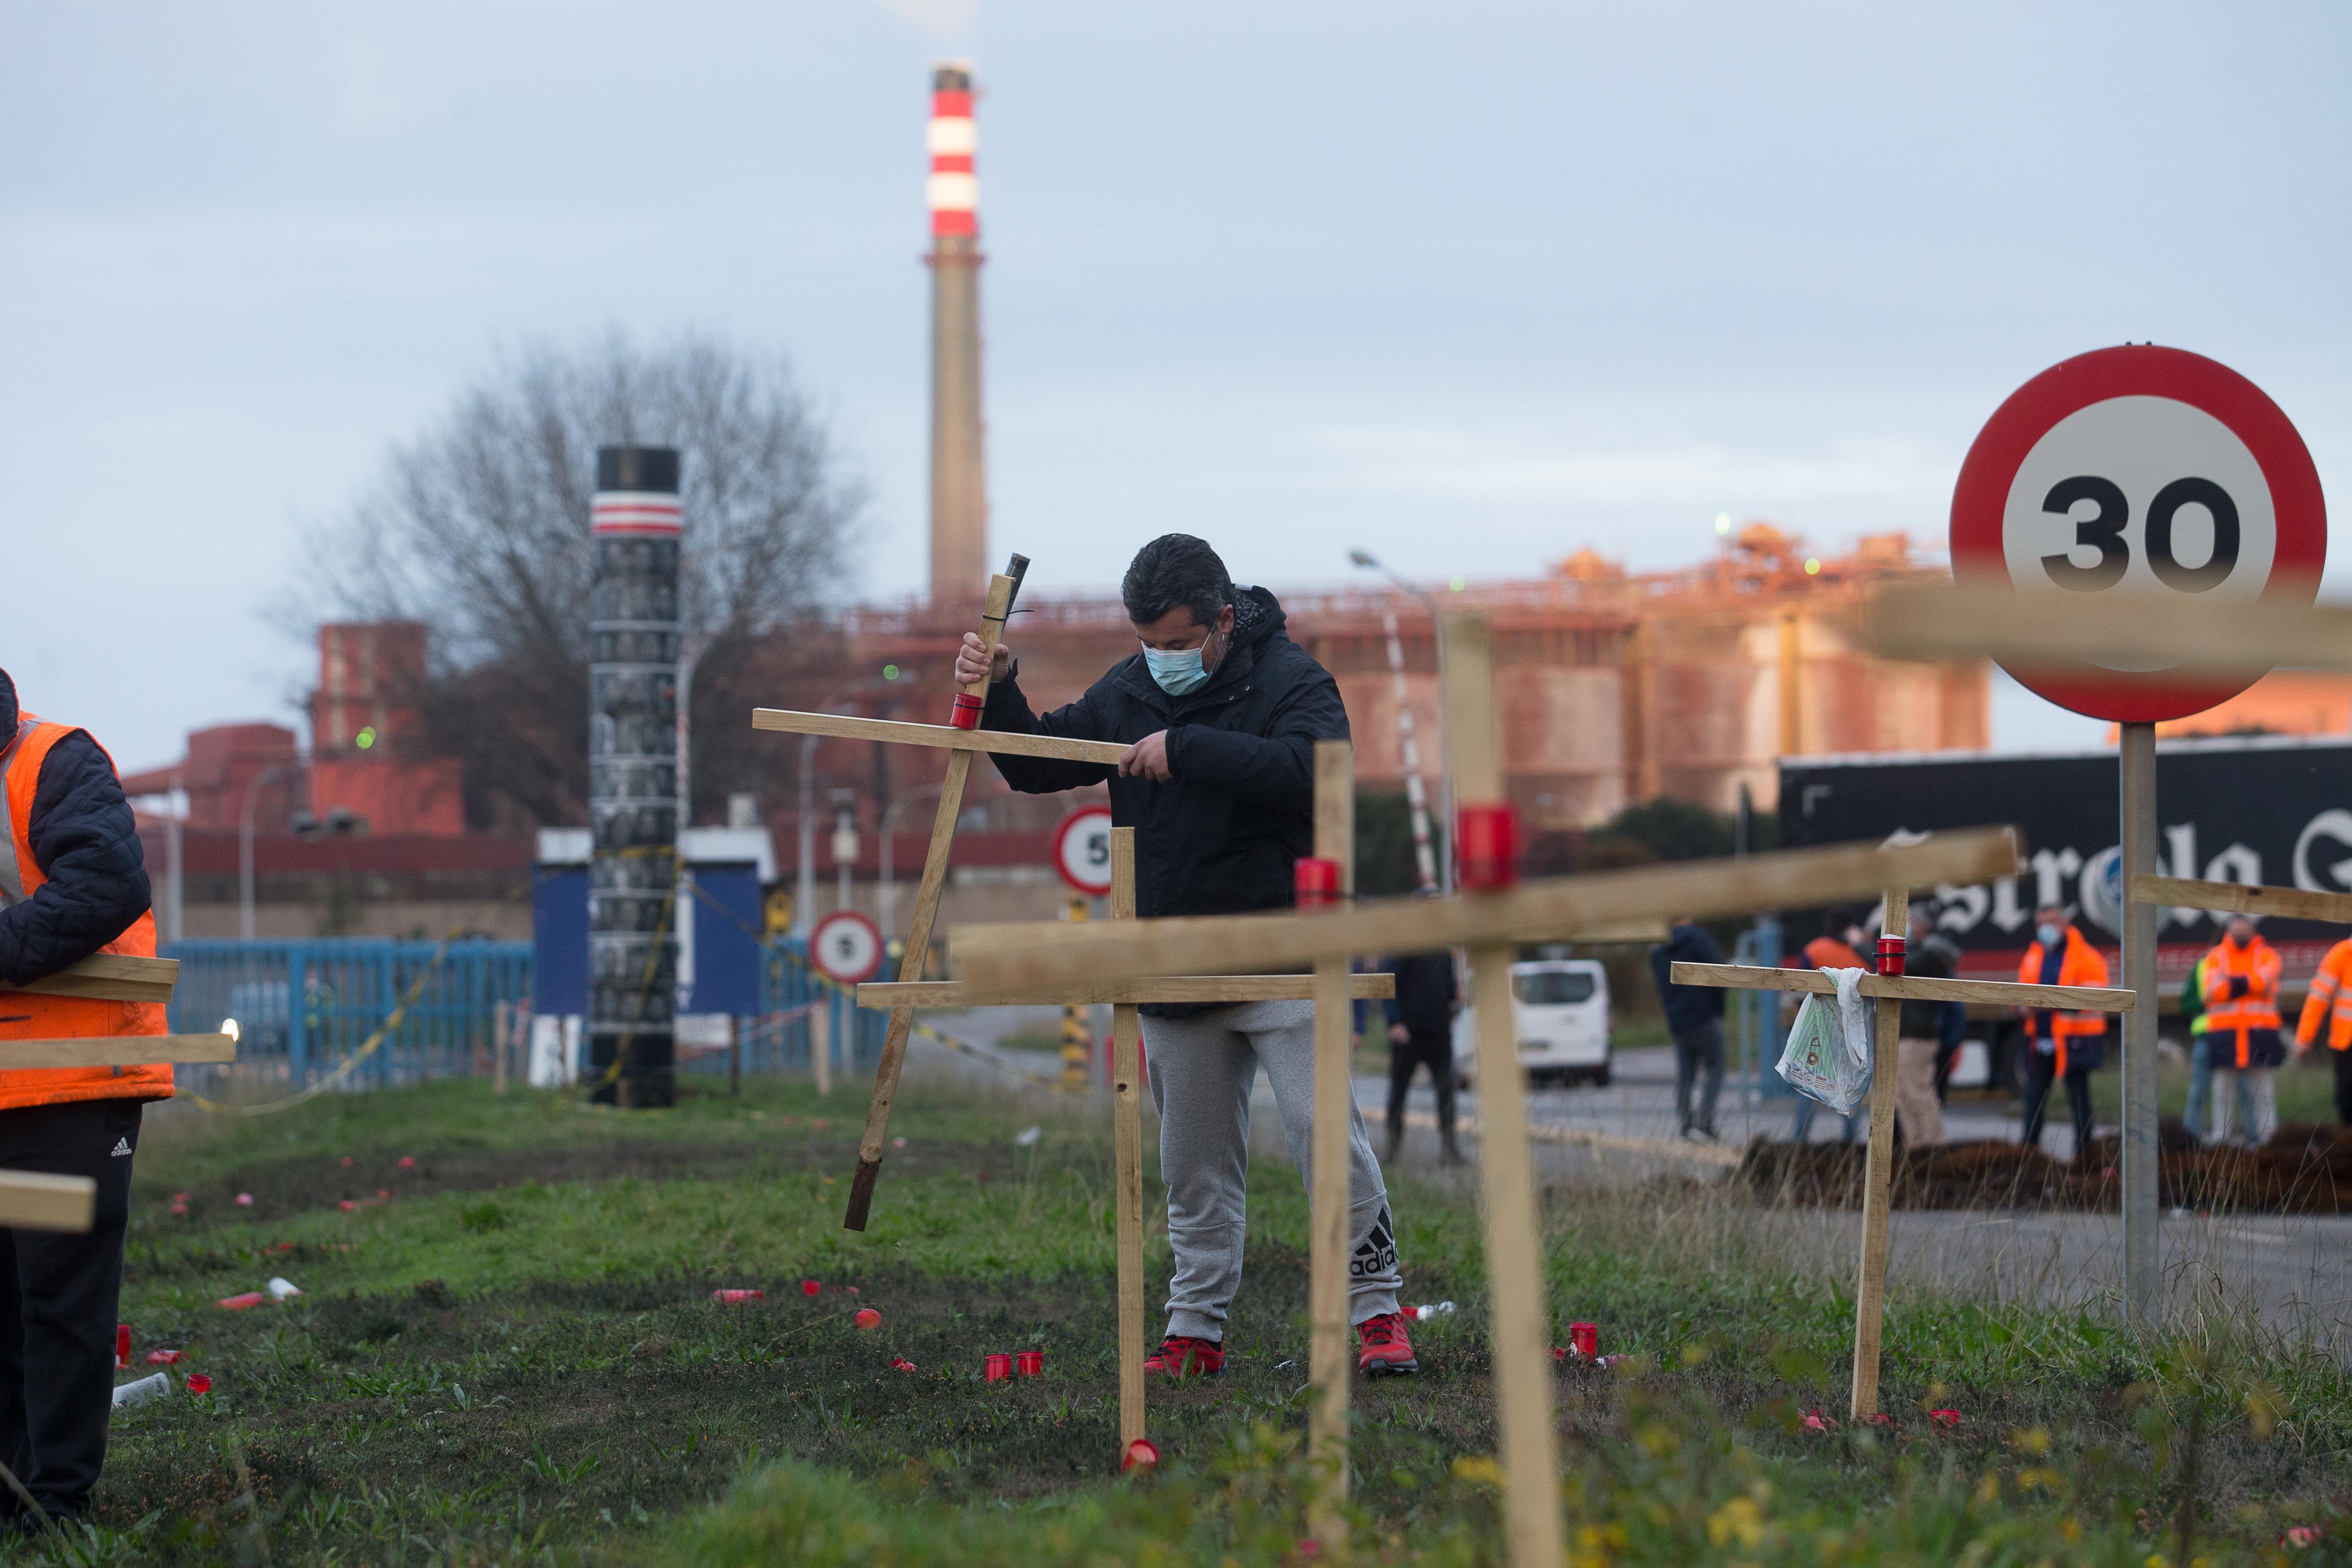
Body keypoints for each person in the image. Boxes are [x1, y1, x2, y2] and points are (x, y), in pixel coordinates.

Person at [958, 535, 1415, 1378]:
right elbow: (1036, 766)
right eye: (1148, 643)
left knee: (1325, 1135)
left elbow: (1321, 773)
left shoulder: (1291, 680)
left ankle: (1378, 1312)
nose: (1161, 659)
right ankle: (1194, 1329)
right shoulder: (1129, 688)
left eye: (1176, 643)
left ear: (1222, 620)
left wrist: (1190, 747)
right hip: (1170, 956)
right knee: (1192, 1164)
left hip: (1284, 952)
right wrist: (1000, 692)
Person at [0, 669, 173, 1533]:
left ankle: (55, 1507)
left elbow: (107, 887)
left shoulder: (52, 760)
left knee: (58, 1302)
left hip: (73, 1081)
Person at [2017, 903, 2108, 1161]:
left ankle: (2084, 1158)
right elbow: (2020, 993)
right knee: (2033, 1102)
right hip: (2039, 1040)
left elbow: (2095, 997)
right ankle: (2028, 1157)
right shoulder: (2033, 955)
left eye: (2052, 922)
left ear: (2065, 923)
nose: (2047, 929)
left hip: (2074, 1040)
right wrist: (2023, 1009)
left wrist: (2051, 1003)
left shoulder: (2087, 956)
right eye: (2041, 924)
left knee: (2079, 1101)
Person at [2202, 914, 2283, 1146]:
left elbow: (2266, 982)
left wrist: (2233, 983)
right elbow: (2213, 991)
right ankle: (2222, 1140)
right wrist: (2250, 984)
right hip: (2225, 1034)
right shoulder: (2215, 956)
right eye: (2235, 929)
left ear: (2253, 929)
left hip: (2259, 1033)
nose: (2240, 934)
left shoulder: (2268, 955)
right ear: (2228, 930)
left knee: (2263, 1092)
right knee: (2222, 1093)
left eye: (2244, 928)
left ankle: (2268, 1140)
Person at [1789, 912, 1867, 1144]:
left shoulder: (1815, 949)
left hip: (1819, 1028)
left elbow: (1800, 988)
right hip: (1850, 1030)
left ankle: (1799, 1140)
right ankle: (1851, 1142)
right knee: (1848, 1087)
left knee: (1809, 1084)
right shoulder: (1860, 952)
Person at [1380, 942, 1460, 1164]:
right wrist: (1394, 1022)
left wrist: (1454, 1002)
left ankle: (1450, 1150)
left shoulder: (1444, 951)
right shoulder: (1406, 944)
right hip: (1408, 1032)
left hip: (1439, 1032)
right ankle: (1393, 1152)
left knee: (1446, 1091)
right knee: (1399, 1092)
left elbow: (1451, 986)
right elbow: (1387, 982)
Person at [1649, 920, 1726, 1141]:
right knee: (1716, 1067)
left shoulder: (1659, 949)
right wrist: (1717, 1009)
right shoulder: (1699, 940)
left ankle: (1686, 1124)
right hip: (1704, 1015)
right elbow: (1719, 975)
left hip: (1677, 1019)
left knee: (1685, 1073)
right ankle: (1704, 1122)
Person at [1894, 904, 1955, 1147]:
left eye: (1910, 922)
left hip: (1918, 1036)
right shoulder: (1923, 952)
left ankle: (1933, 1145)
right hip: (1907, 1033)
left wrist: (1860, 944)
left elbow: (1898, 966)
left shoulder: (1929, 955)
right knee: (1902, 1095)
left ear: (1922, 926)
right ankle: (1915, 1145)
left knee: (1918, 1092)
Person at [2294, 933, 2352, 1128]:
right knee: (2347, 1100)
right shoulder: (2342, 954)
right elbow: (2318, 999)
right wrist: (2304, 1038)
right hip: (2347, 1041)